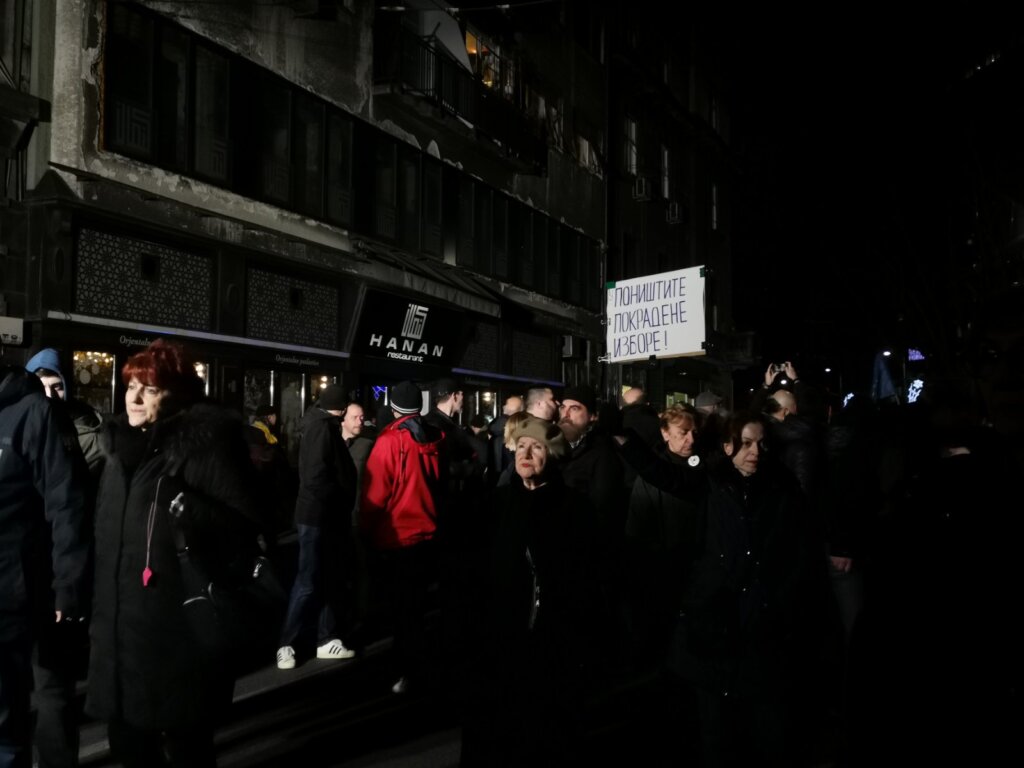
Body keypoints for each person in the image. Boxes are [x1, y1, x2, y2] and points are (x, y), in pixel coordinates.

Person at [85, 338, 264, 768]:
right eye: (131, 386)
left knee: (187, 748)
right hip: (119, 632)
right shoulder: (118, 454)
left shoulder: (204, 447)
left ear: (177, 394)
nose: (135, 397)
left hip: (180, 634)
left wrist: (193, 511)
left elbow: (247, 528)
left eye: (150, 388)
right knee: (128, 742)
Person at [616, 412, 828, 767]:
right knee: (716, 732)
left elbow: (799, 553)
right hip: (714, 622)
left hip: (763, 625)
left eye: (761, 443)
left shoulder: (783, 489)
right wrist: (626, 440)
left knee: (769, 731)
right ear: (728, 446)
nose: (754, 452)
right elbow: (666, 476)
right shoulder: (712, 483)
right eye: (745, 443)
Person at [462, 415, 600, 766]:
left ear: (550, 455)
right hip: (499, 638)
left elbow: (587, 580)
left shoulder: (574, 509)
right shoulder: (495, 504)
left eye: (536, 447)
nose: (525, 453)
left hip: (551, 641)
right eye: (521, 445)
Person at [1, 362, 88, 768]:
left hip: (34, 587)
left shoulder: (36, 412)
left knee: (45, 695)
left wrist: (68, 583)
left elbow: (66, 503)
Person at [24, 348, 99, 768]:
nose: (48, 395)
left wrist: (70, 585)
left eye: (56, 386)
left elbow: (77, 516)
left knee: (53, 687)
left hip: (61, 579)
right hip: (25, 575)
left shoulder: (87, 438)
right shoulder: (23, 429)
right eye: (40, 385)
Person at [360, 381, 447, 695]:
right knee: (418, 608)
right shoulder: (435, 438)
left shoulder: (390, 440)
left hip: (397, 537)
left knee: (400, 612)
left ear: (394, 407)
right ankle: (419, 666)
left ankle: (405, 671)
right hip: (429, 533)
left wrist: (365, 530)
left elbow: (375, 494)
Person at [276, 383, 359, 670]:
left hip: (319, 515)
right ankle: (288, 643)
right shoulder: (323, 428)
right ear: (342, 407)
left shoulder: (317, 423)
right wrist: (337, 498)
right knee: (310, 579)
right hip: (321, 516)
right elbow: (316, 478)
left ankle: (324, 639)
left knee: (321, 577)